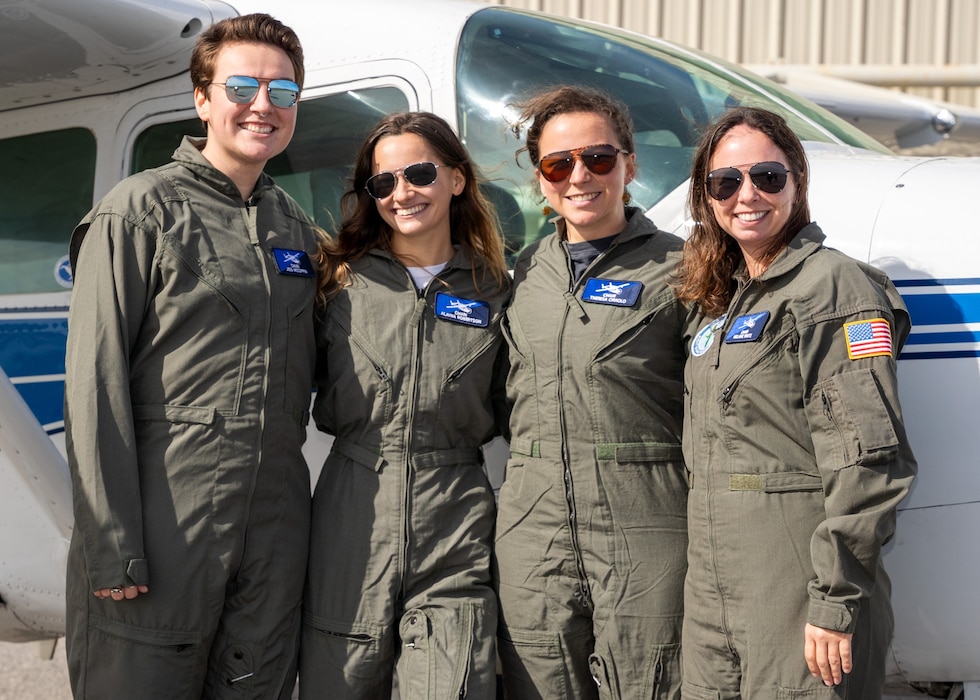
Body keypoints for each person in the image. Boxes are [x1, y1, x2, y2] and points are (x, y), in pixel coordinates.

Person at [63, 13, 322, 699]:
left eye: (283, 91)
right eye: (242, 86)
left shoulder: (297, 230)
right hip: (161, 538)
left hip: (268, 545)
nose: (263, 105)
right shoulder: (137, 213)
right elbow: (96, 388)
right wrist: (114, 544)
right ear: (203, 98)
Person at [675, 106, 918, 698]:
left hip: (798, 591)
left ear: (797, 182)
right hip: (714, 596)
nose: (747, 195)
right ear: (707, 198)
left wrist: (836, 599)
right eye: (725, 183)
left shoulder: (834, 288)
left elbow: (869, 462)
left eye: (768, 177)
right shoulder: (718, 299)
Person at [299, 111, 511, 699]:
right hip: (352, 510)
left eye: (418, 174)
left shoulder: (496, 288)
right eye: (383, 183)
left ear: (457, 178)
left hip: (456, 516)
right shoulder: (336, 281)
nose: (401, 194)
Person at [494, 85, 691, 698]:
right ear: (540, 178)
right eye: (558, 164)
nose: (579, 176)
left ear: (629, 164)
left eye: (599, 159)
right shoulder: (524, 274)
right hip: (535, 534)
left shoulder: (686, 269)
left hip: (646, 527)